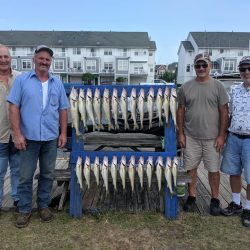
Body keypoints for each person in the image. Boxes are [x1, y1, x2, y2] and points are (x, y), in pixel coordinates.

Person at [7, 45, 69, 228]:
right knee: (25, 176)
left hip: (50, 137)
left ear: (51, 62)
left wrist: (63, 133)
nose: (44, 62)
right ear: (34, 59)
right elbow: (13, 107)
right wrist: (17, 134)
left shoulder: (57, 83)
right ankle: (25, 210)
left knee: (48, 174)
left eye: (47, 59)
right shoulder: (22, 81)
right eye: (41, 58)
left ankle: (43, 206)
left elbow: (63, 109)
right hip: (28, 138)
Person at [177, 52, 229, 215]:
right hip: (191, 136)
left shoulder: (218, 86)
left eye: (204, 65)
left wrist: (221, 135)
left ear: (210, 66)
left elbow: (224, 112)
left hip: (213, 138)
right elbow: (180, 110)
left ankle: (215, 199)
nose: (201, 68)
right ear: (194, 67)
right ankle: (192, 196)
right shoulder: (186, 87)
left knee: (213, 170)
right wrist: (181, 133)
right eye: (198, 65)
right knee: (191, 168)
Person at [220, 56, 250, 227]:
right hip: (233, 137)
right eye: (243, 69)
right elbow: (229, 114)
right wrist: (224, 135)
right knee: (234, 172)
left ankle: (248, 207)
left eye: (249, 68)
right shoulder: (234, 90)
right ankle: (236, 202)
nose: (246, 72)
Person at [0, 44, 21, 214]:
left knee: (17, 170)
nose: (3, 60)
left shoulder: (21, 78)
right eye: (0, 57)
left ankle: (17, 199)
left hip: (17, 135)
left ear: (11, 59)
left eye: (6, 56)